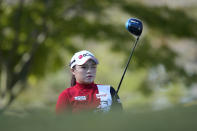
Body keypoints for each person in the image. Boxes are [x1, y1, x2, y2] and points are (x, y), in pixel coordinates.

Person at [56, 50, 122, 114]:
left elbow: (121, 121)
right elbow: (60, 123)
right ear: (73, 71)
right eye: (84, 67)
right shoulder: (66, 95)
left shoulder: (109, 90)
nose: (89, 71)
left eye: (93, 67)